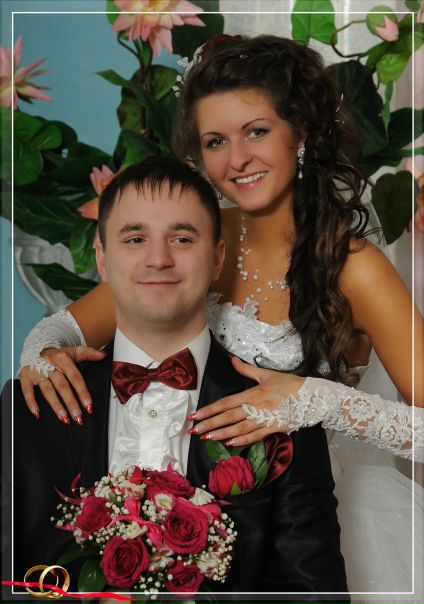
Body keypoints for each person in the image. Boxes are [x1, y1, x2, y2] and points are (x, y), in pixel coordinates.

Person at [16, 35, 423, 596]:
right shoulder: (193, 243)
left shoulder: (354, 267)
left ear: (300, 133)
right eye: (215, 141)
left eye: (256, 131)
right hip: (180, 518)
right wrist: (42, 353)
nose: (237, 160)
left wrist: (315, 400)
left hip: (316, 521)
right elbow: (64, 325)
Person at [3, 156, 349, 601]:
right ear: (102, 258)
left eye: (182, 238)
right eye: (135, 238)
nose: (159, 259)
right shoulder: (25, 407)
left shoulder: (282, 416)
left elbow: (312, 594)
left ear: (217, 257)